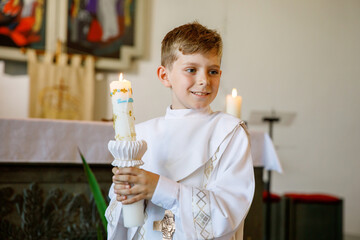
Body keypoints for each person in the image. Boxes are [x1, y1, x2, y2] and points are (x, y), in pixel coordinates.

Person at [105, 22, 255, 240]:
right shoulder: (139, 136)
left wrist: (159, 188)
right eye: (191, 70)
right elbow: (123, 220)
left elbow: (228, 211)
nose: (204, 80)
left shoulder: (230, 132)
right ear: (165, 76)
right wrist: (122, 193)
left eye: (212, 71)